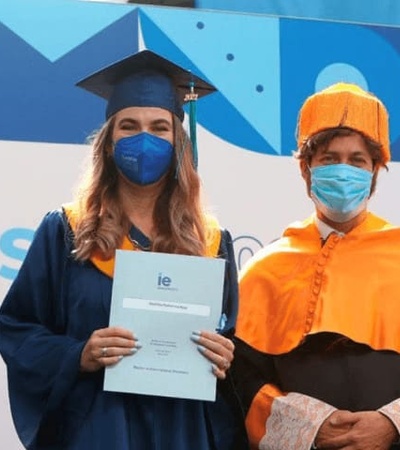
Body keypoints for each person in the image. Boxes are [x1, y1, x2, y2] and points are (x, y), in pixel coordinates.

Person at [0, 49, 248, 450]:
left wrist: (224, 356)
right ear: (109, 142)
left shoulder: (212, 241)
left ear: (180, 141)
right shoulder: (67, 231)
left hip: (181, 430)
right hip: (97, 428)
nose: (144, 139)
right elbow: (16, 327)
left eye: (160, 127)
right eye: (128, 126)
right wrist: (78, 353)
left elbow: (230, 340)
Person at [232, 82, 400, 450]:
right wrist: (309, 428)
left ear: (374, 172)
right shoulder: (266, 268)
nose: (343, 171)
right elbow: (240, 380)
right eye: (328, 158)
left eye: (357, 160)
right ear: (306, 170)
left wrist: (391, 424)